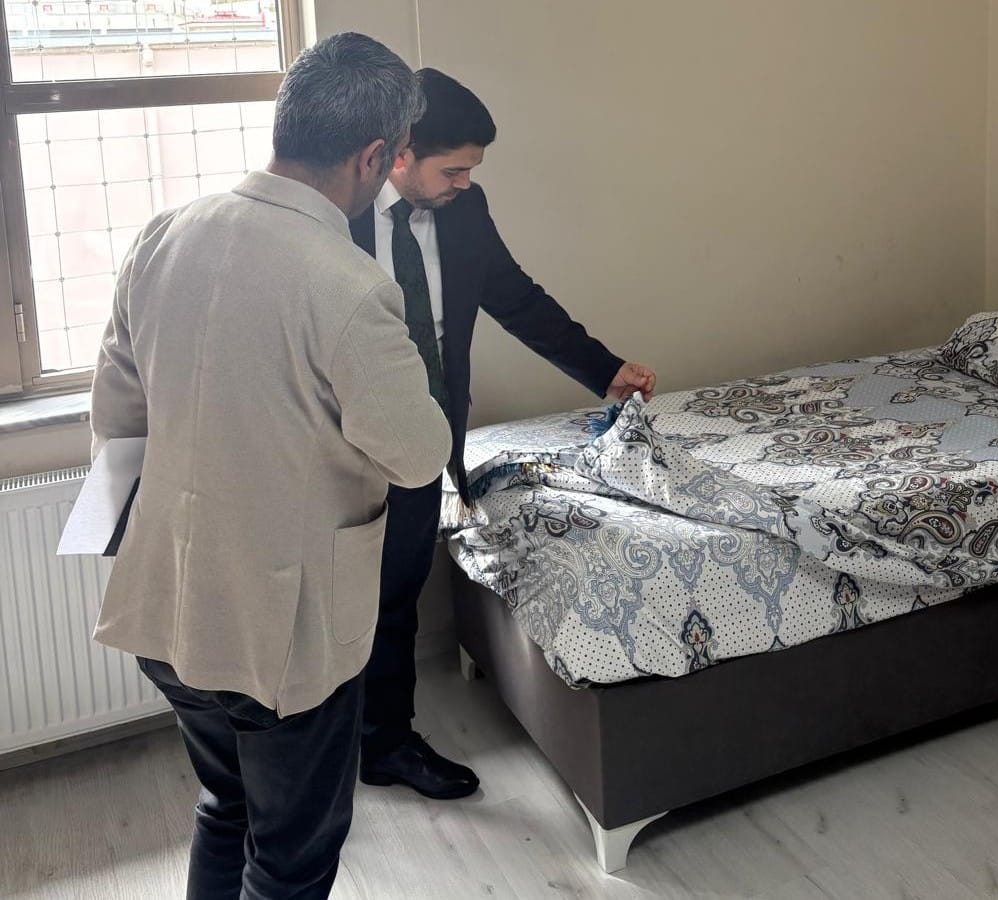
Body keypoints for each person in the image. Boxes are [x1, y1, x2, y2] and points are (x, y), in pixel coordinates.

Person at [89, 33, 451, 900]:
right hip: (281, 634)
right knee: (291, 858)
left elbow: (116, 422)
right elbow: (418, 456)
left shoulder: (163, 235)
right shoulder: (349, 285)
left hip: (169, 607)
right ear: (373, 157)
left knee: (226, 806)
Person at [350, 68, 657, 799]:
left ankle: (384, 744)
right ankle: (315, 747)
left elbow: (515, 297)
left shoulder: (465, 209)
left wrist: (603, 369)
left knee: (396, 593)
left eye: (471, 171)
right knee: (331, 601)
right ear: (399, 154)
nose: (465, 183)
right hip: (341, 440)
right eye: (452, 170)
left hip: (427, 433)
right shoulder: (336, 216)